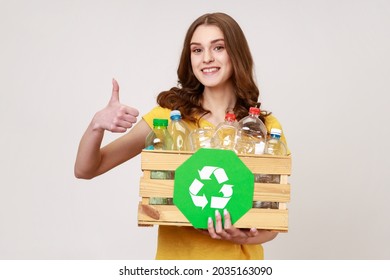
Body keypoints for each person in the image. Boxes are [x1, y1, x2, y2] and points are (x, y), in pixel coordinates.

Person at [75, 12, 289, 260]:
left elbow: (272, 222)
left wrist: (245, 237)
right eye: (197, 50)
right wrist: (96, 126)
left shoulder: (264, 126)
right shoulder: (169, 118)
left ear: (236, 54)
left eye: (218, 47)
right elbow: (86, 169)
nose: (207, 58)